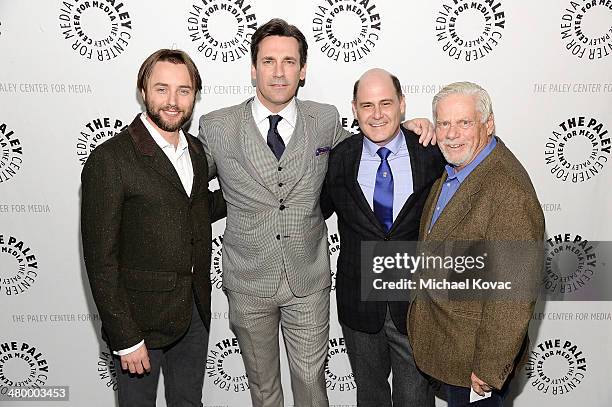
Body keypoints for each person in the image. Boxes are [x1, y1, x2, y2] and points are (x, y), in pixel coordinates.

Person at [198, 18, 433, 407]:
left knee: (311, 383)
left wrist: (409, 127)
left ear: (302, 70)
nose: (278, 71)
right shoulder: (217, 126)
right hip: (248, 282)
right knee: (264, 388)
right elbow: (185, 186)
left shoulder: (324, 120)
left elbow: (370, 145)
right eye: (269, 61)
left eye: (289, 61)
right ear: (253, 68)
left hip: (309, 281)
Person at [81, 49, 225, 407]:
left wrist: (254, 191)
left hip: (193, 313)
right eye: (162, 89)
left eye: (184, 90)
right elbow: (101, 260)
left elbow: (193, 209)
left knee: (189, 403)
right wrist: (125, 336)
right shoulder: (110, 158)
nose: (173, 101)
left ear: (194, 95)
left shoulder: (194, 150)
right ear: (143, 91)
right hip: (139, 322)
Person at [407, 81, 545, 407]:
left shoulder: (508, 191)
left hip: (476, 365)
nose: (452, 133)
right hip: (452, 347)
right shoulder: (462, 166)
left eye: (464, 123)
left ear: (488, 123)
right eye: (444, 123)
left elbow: (513, 292)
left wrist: (489, 366)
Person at [322, 68, 444, 406]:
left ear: (402, 104)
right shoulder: (339, 159)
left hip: (416, 305)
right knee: (370, 397)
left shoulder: (431, 154)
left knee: (415, 399)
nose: (377, 115)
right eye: (367, 105)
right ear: (354, 108)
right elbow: (315, 210)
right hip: (359, 303)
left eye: (386, 103)